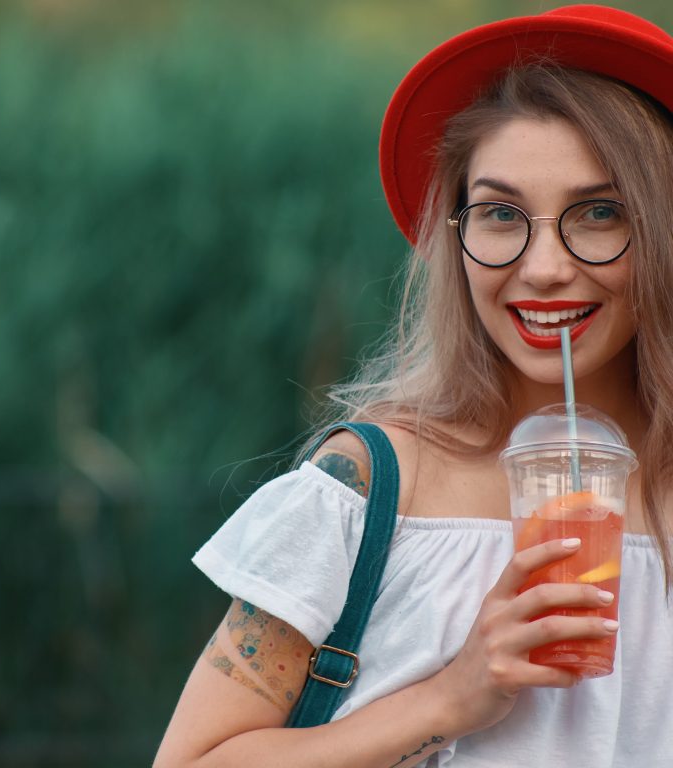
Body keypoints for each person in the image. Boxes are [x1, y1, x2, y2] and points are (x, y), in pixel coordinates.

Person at [155, 6, 673, 767]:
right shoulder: (368, 488)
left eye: (598, 212)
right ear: (455, 236)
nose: (544, 267)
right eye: (501, 214)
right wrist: (450, 697)